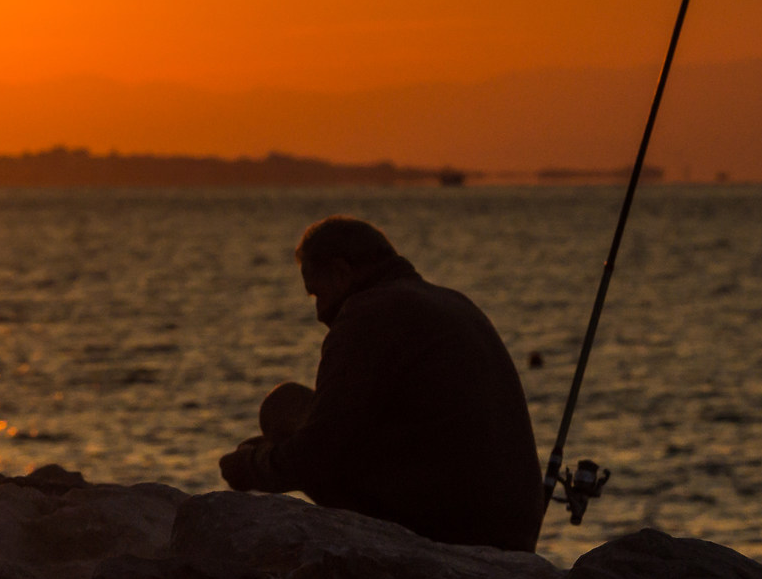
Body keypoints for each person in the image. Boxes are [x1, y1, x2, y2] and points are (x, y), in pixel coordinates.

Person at [219, 215, 545, 552]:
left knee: (280, 408)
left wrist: (250, 467)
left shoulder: (367, 315)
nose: (318, 312)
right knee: (291, 417)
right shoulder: (451, 301)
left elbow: (318, 453)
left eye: (316, 293)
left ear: (340, 272)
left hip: (452, 529)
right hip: (515, 530)